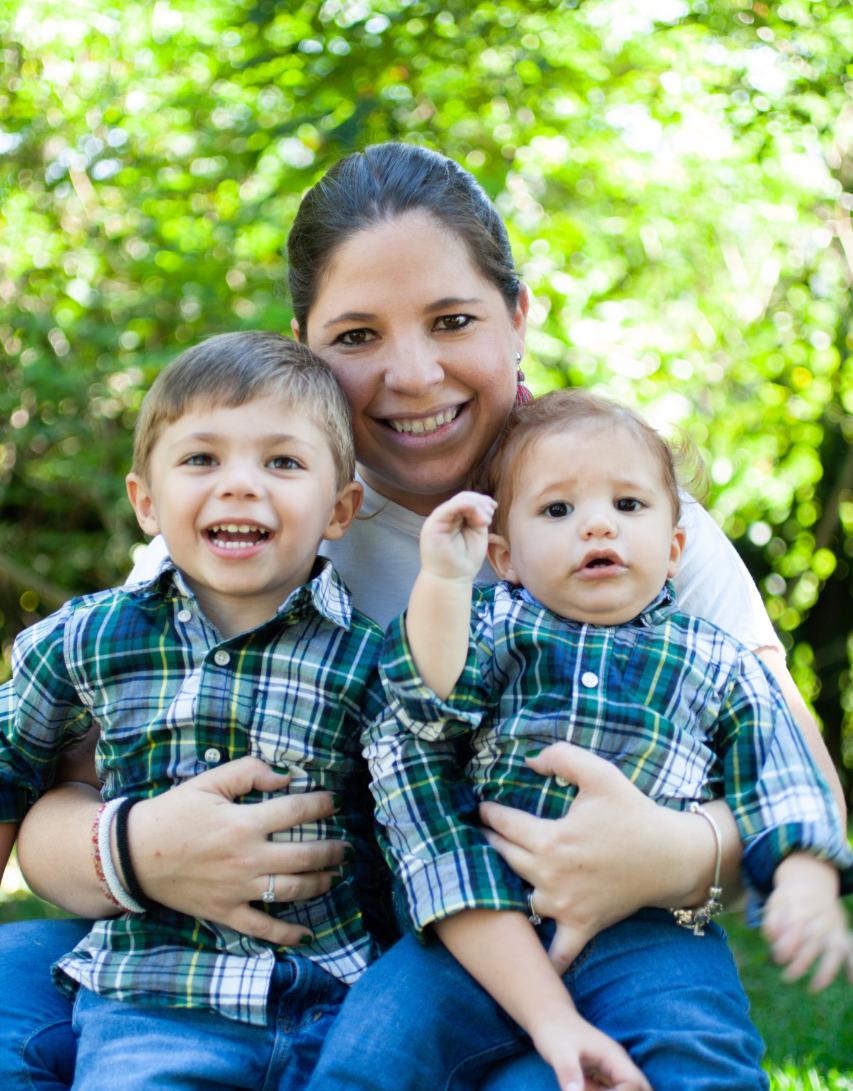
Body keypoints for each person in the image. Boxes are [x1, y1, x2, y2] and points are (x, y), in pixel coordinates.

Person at [0, 142, 845, 1089]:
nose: (410, 373)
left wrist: (679, 853)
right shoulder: (255, 520)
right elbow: (47, 797)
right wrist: (136, 851)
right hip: (254, 951)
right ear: (305, 345)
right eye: (356, 337)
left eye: (452, 320)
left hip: (555, 951)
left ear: (519, 318)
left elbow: (799, 779)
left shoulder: (628, 524)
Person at [305, 390, 852, 1091]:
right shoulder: (495, 625)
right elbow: (425, 701)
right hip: (480, 921)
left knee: (699, 1048)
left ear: (675, 545)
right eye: (557, 511)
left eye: (627, 506)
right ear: (504, 554)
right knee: (370, 1047)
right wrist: (442, 578)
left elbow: (779, 769)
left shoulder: (716, 659)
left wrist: (805, 874)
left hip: (647, 927)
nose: (597, 526)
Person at [0, 332, 394, 1088]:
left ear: (341, 507)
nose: (240, 485)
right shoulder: (91, 639)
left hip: (337, 994)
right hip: (159, 1001)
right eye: (201, 459)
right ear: (145, 500)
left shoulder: (373, 662)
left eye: (282, 461)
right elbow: (9, 761)